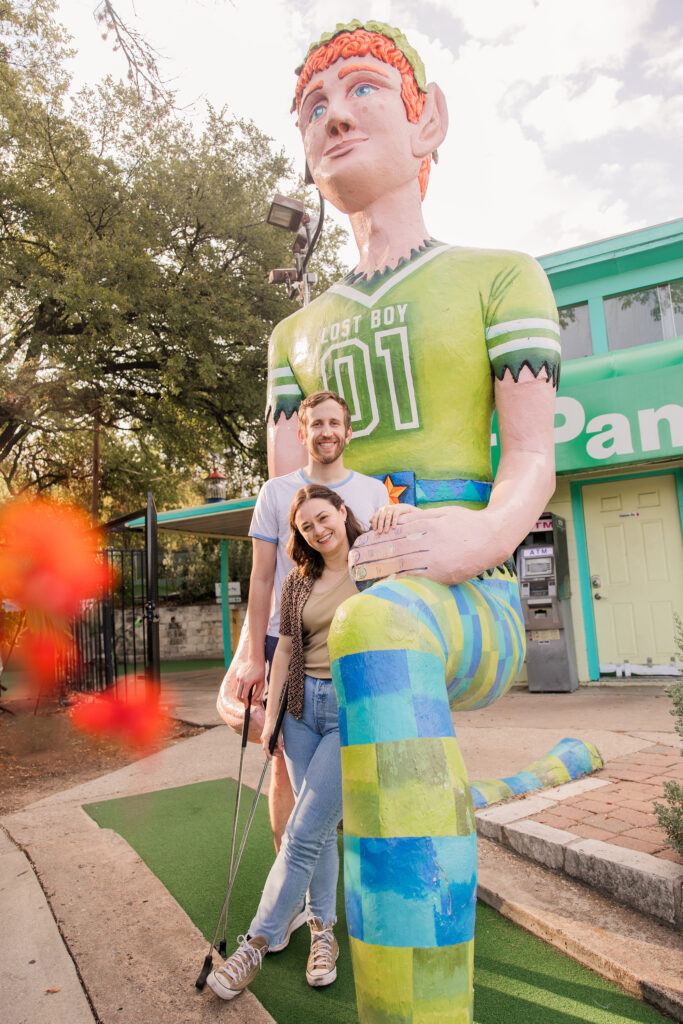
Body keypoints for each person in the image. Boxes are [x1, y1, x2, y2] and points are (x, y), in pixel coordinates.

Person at [264, 19, 560, 1023]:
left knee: (377, 628)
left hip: (457, 598)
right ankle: (317, 924)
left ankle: (416, 1001)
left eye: (360, 90)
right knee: (296, 700)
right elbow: (281, 513)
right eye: (312, 106)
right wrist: (259, 645)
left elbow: (529, 460)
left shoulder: (499, 275)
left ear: (424, 118)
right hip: (331, 595)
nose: (333, 114)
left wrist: (473, 540)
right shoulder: (292, 336)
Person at [207, 485, 400, 1001]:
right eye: (306, 526)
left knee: (303, 831)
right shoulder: (298, 581)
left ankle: (254, 943)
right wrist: (271, 719)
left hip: (350, 712)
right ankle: (322, 933)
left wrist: (397, 513)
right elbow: (287, 650)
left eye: (323, 518)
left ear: (342, 511)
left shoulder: (375, 563)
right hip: (298, 712)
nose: (317, 530)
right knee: (315, 834)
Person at [216, 390, 389, 854]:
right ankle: (289, 874)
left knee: (360, 756)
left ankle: (352, 874)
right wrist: (254, 657)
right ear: (302, 431)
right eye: (317, 424)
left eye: (335, 423)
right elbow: (261, 577)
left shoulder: (373, 492)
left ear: (348, 432)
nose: (326, 432)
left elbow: (381, 568)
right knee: (283, 765)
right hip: (287, 642)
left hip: (355, 642)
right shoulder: (274, 492)